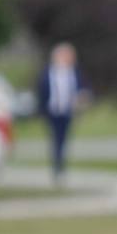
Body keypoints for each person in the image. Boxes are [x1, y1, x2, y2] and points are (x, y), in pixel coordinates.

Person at [35, 42, 87, 185]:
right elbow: (41, 92)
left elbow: (83, 89)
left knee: (64, 140)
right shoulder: (47, 73)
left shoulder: (74, 73)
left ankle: (61, 167)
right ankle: (57, 167)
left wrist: (81, 99)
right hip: (52, 112)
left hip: (67, 111)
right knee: (55, 139)